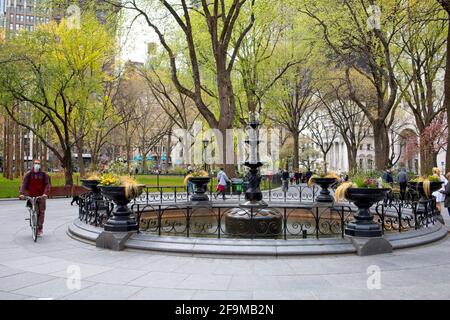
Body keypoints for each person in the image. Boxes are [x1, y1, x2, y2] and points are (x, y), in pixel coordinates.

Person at [19, 160, 51, 236]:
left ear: (40, 165)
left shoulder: (44, 175)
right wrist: (22, 194)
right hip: (32, 195)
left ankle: (40, 228)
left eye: (38, 164)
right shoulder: (29, 174)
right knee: (36, 211)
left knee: (41, 212)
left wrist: (45, 193)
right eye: (35, 163)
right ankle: (35, 226)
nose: (37, 165)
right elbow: (24, 184)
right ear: (33, 164)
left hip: (41, 196)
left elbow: (47, 185)